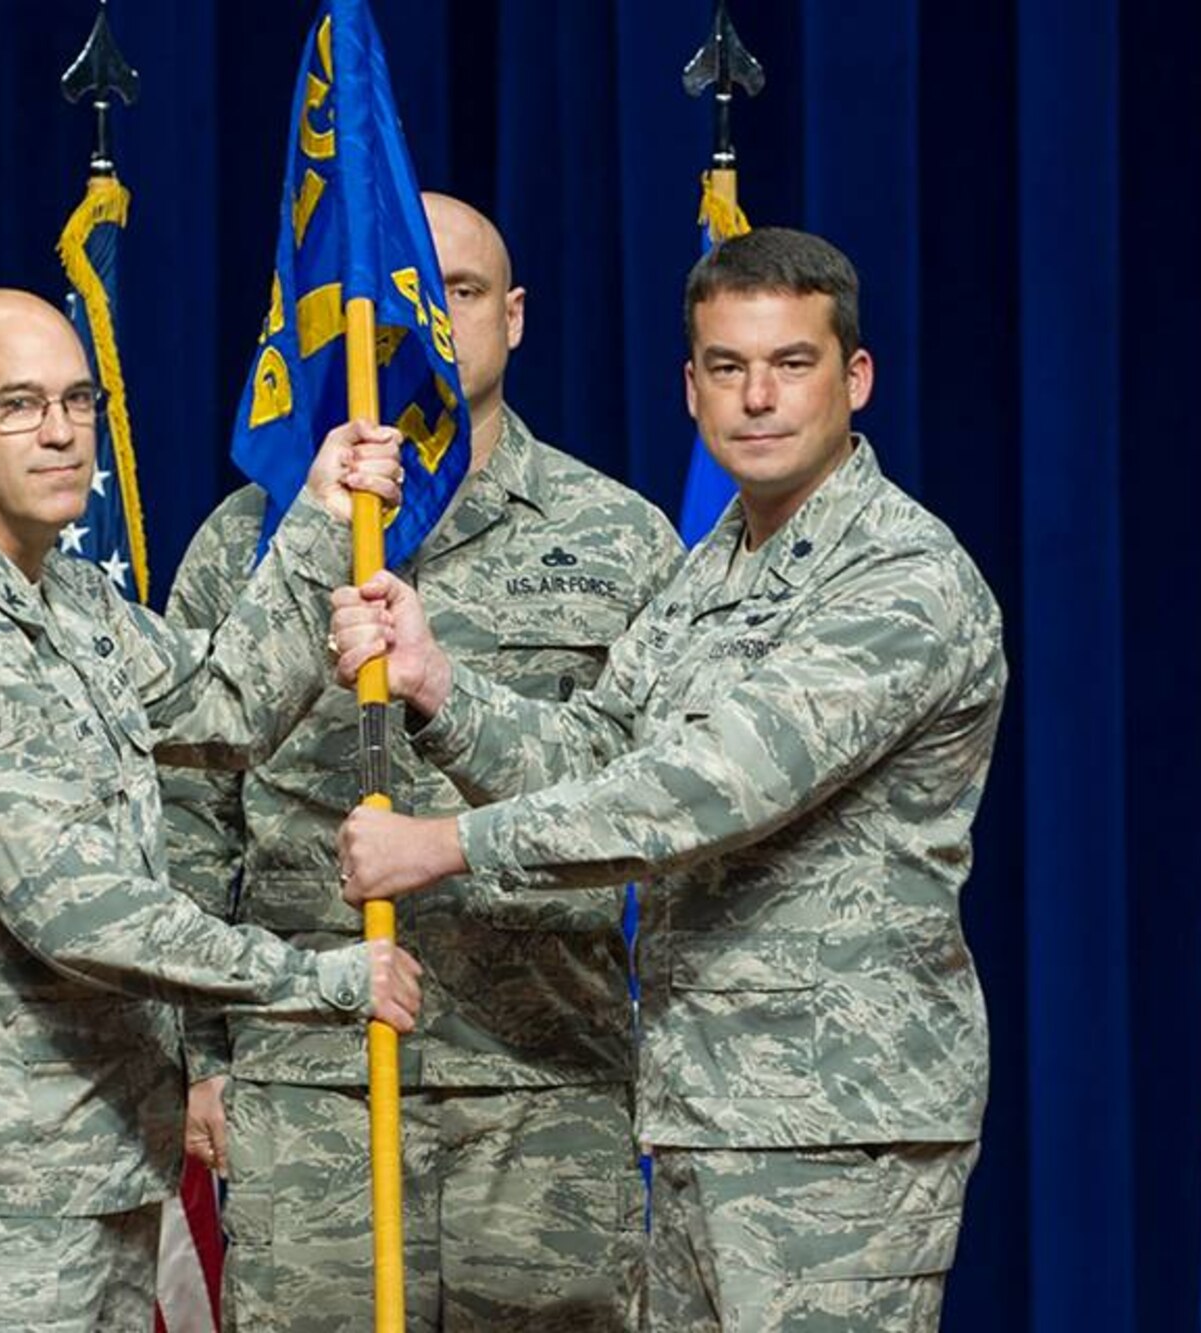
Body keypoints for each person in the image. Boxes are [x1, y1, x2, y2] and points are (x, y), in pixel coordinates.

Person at [330, 229, 1007, 1333]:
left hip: (836, 1120)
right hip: (701, 1102)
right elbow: (599, 754)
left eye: (791, 364)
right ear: (689, 386)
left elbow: (702, 792)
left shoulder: (902, 579)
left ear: (856, 379)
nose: (757, 399)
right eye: (727, 368)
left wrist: (447, 844)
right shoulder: (710, 573)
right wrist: (438, 686)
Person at [0, 288, 424, 1332]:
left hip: (92, 1164)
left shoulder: (64, 595)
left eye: (76, 400)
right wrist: (316, 978)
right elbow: (79, 913)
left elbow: (217, 706)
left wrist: (319, 521)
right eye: (16, 405)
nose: (58, 431)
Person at [160, 194, 684, 1331]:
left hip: (544, 1078)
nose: (431, 323)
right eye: (400, 294)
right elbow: (184, 813)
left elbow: (654, 799)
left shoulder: (622, 539)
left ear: (517, 314)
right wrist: (196, 1055)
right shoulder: (253, 541)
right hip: (311, 1087)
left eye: (459, 290)